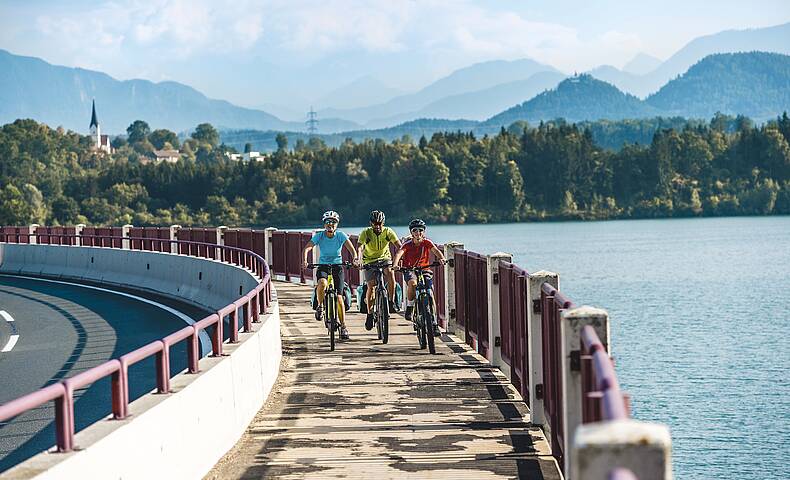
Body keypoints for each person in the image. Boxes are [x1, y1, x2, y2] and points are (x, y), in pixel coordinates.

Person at [302, 210, 358, 340]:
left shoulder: (340, 235)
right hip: (323, 266)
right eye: (328, 222)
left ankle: (343, 326)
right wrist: (305, 260)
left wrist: (355, 259)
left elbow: (352, 250)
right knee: (322, 283)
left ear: (337, 224)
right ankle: (320, 307)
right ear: (324, 224)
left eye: (333, 222)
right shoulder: (320, 236)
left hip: (337, 266)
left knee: (339, 297)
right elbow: (307, 248)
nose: (330, 224)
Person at [393, 218, 446, 337]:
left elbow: (436, 251)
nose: (418, 233)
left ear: (424, 232)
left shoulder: (427, 242)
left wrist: (442, 258)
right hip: (410, 269)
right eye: (415, 230)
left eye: (420, 230)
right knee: (412, 283)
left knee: (430, 292)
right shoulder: (407, 244)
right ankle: (410, 306)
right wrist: (395, 265)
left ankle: (433, 323)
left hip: (425, 269)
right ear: (411, 233)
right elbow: (399, 253)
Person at [357, 210, 402, 331]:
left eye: (379, 223)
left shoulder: (388, 231)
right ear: (371, 223)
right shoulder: (366, 232)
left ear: (383, 222)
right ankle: (370, 314)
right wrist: (359, 259)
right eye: (374, 223)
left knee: (390, 273)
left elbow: (399, 246)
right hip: (369, 261)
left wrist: (401, 258)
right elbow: (360, 247)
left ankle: (391, 302)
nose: (377, 226)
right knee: (371, 286)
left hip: (385, 259)